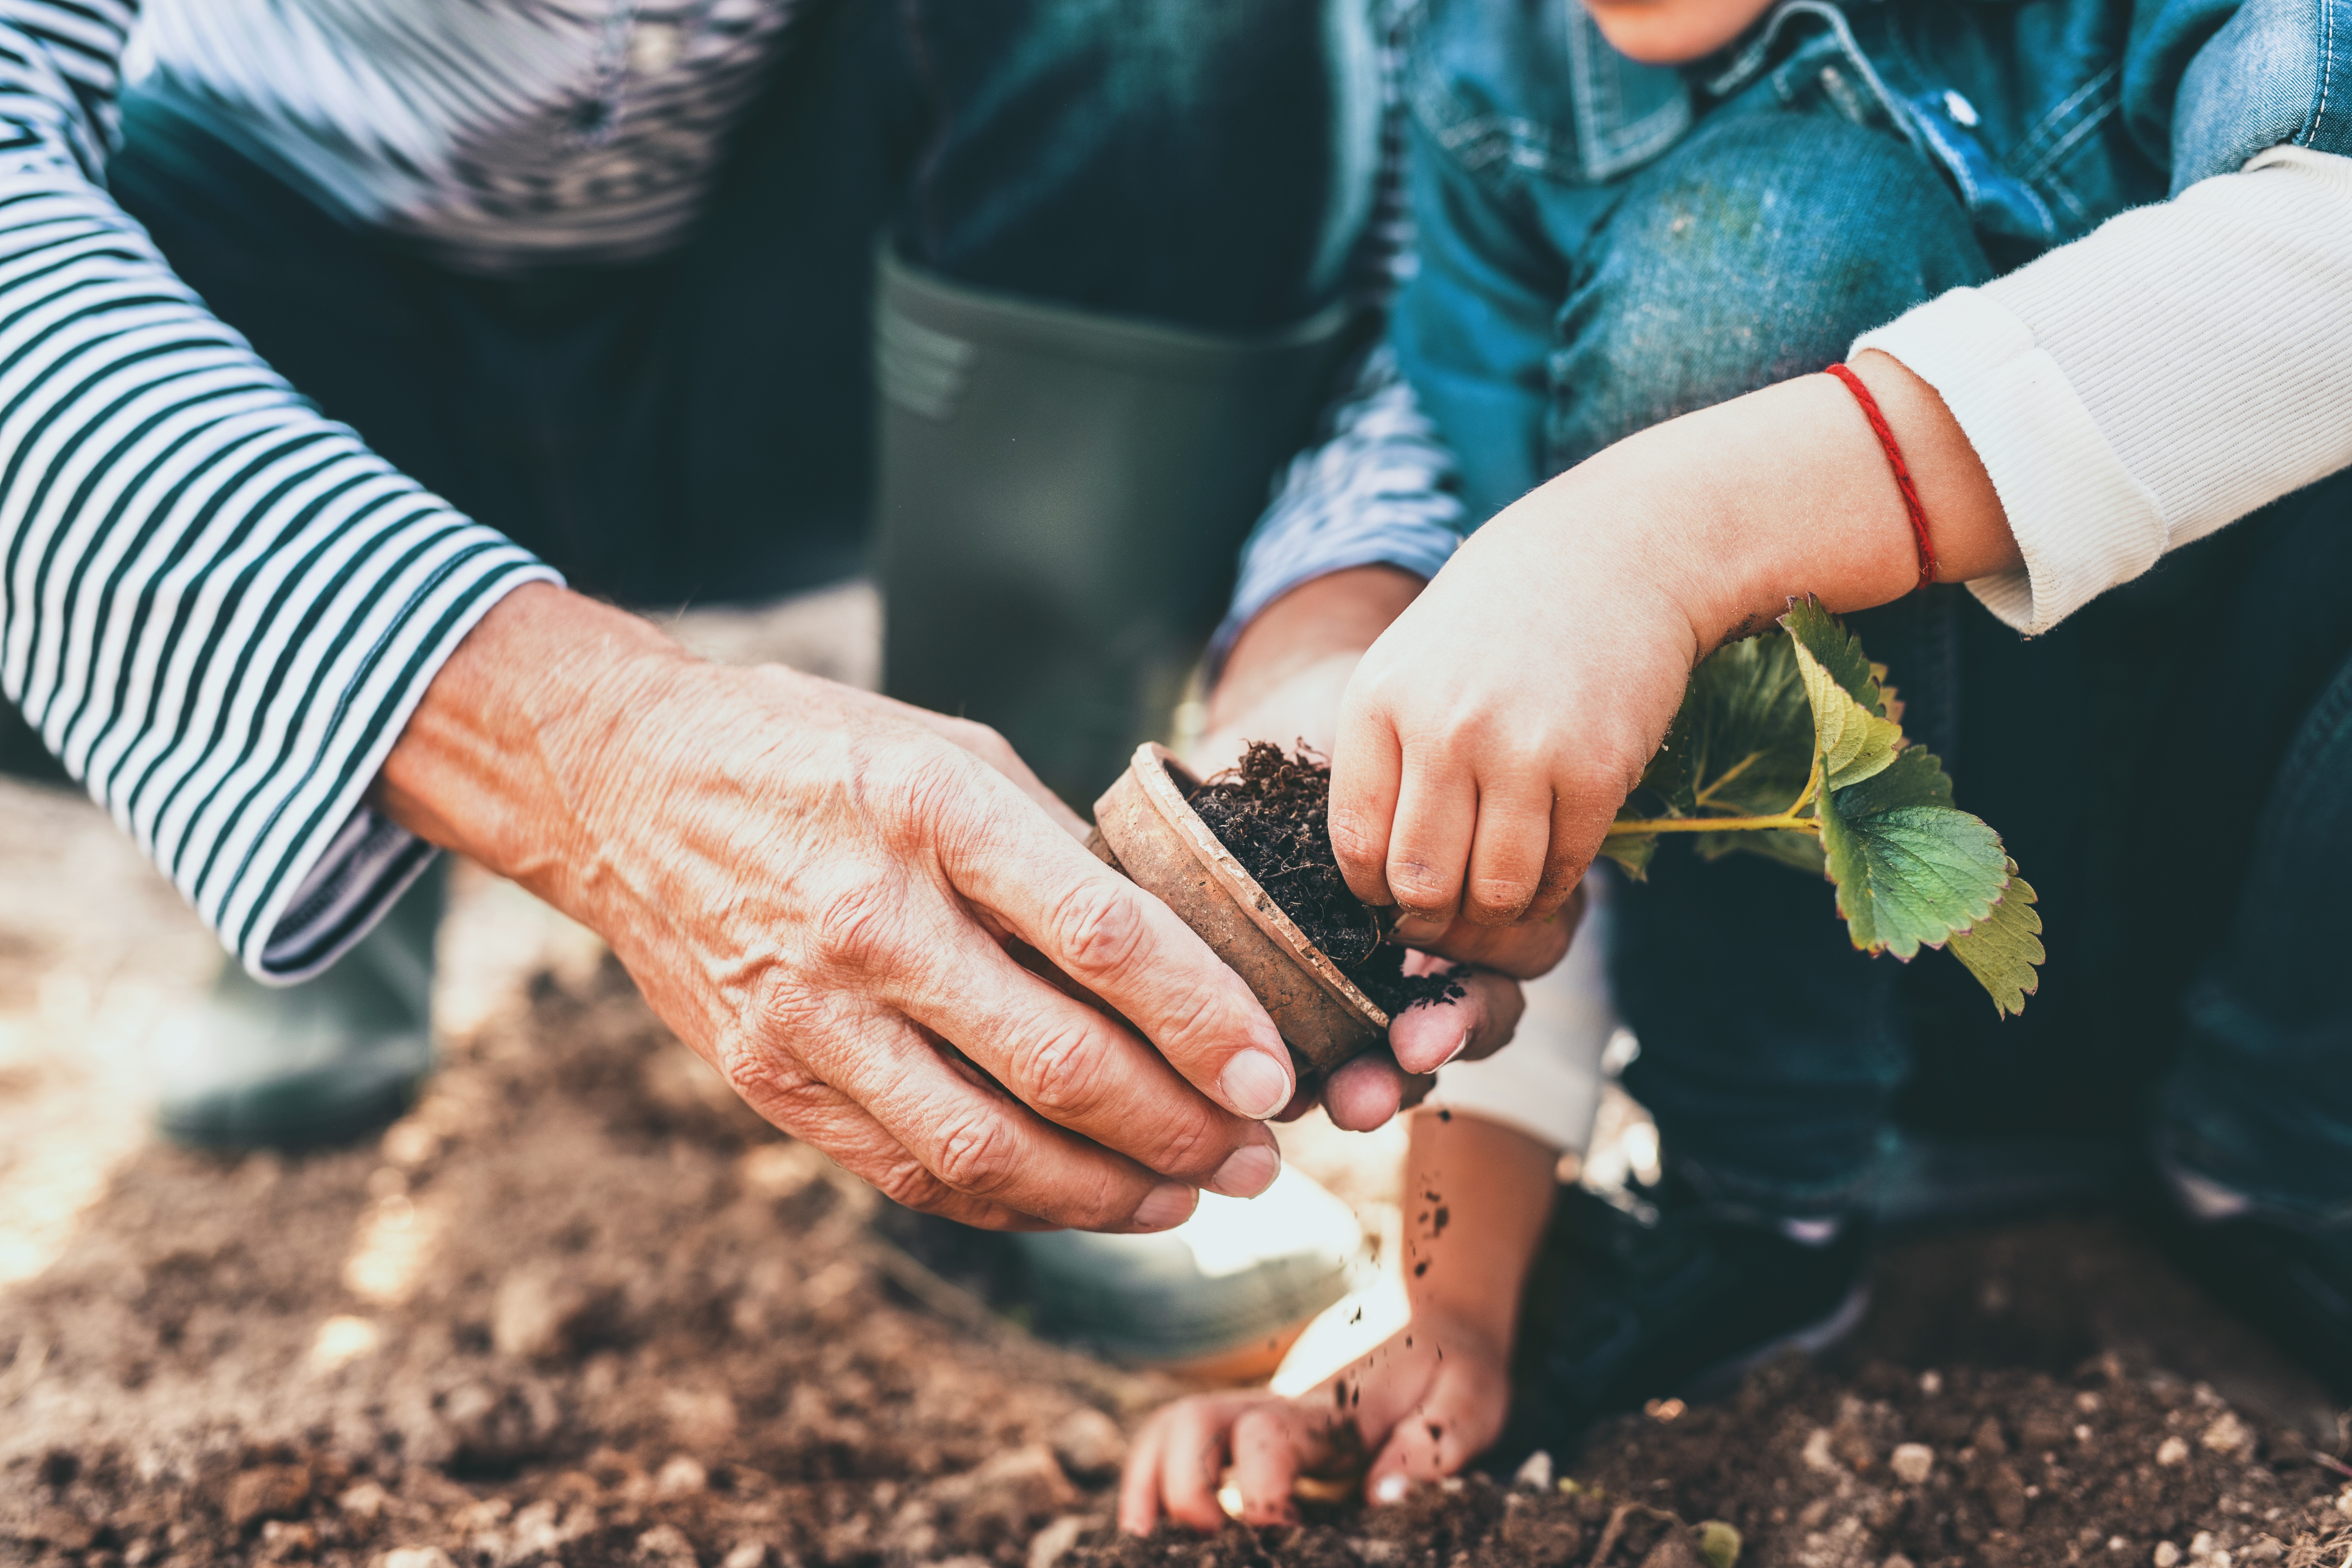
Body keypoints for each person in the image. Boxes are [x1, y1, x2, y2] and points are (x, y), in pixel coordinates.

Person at [0, 0, 1563, 1236]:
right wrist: (578, 750)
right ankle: (345, 821)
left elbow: (1437, 151)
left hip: (803, 314)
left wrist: (1334, 606)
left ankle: (1027, 986)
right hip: (257, 303)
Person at [1118, 0, 2352, 1527]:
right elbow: (1522, 720)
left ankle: (2294, 1159)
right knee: (1757, 243)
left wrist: (1673, 530)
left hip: (2293, 926)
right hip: (1861, 1017)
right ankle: (1760, 1197)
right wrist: (1451, 1296)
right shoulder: (1497, 83)